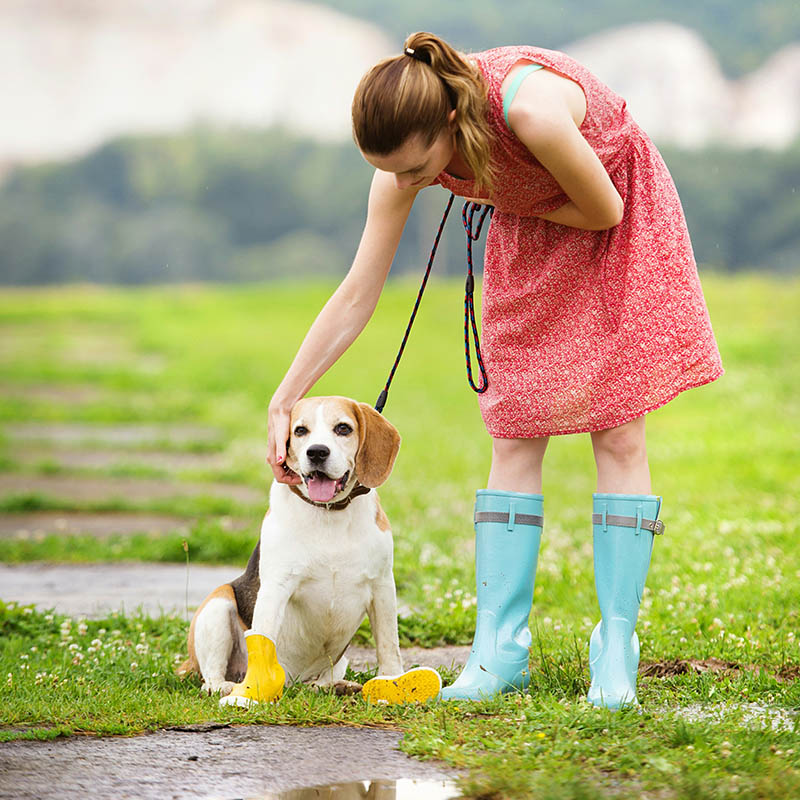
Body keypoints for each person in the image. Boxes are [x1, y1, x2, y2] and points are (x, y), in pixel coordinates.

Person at [266, 32, 723, 707]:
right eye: (391, 171)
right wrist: (285, 398)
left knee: (620, 435)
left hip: (609, 222)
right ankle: (499, 652)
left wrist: (502, 198)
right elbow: (358, 291)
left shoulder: (528, 111)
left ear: (450, 122)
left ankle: (616, 650)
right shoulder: (404, 159)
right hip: (530, 232)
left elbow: (605, 211)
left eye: (418, 169)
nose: (406, 184)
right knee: (512, 433)